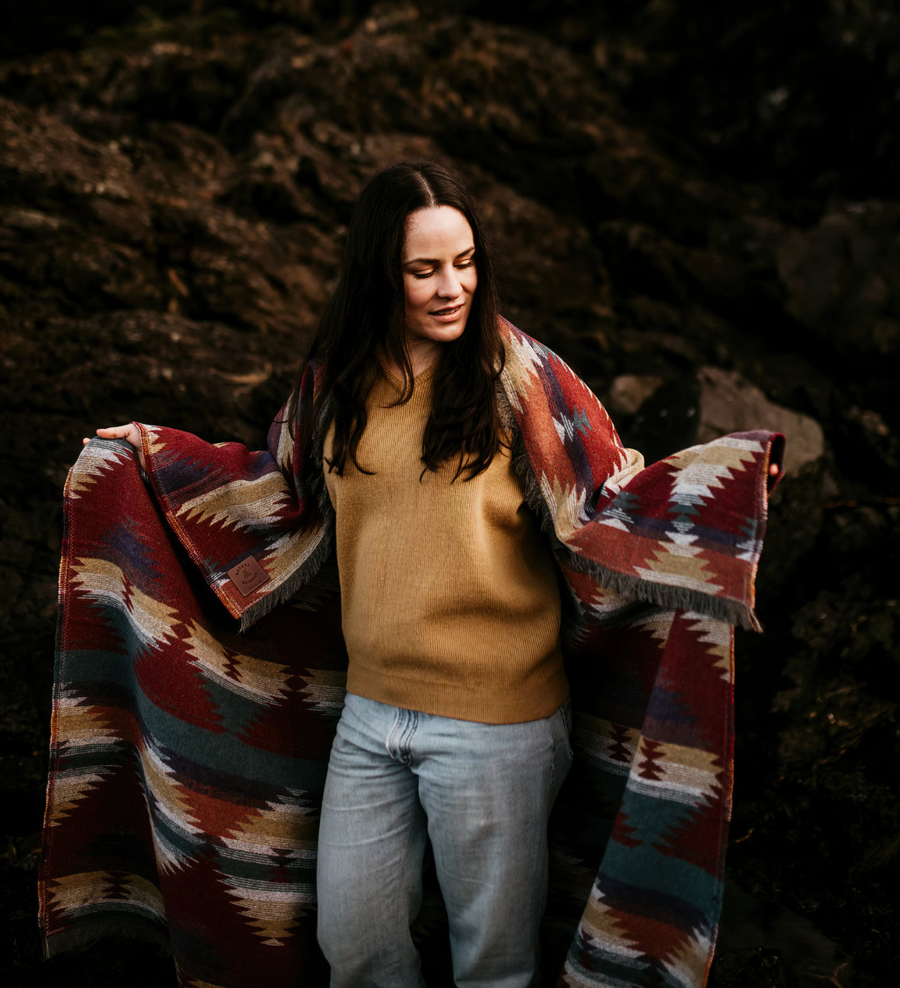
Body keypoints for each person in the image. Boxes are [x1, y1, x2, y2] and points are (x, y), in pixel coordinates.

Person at [63, 160, 783, 988]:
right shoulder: (335, 380)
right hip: (369, 721)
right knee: (356, 946)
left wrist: (729, 491)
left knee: (493, 967)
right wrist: (144, 461)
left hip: (498, 734)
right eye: (425, 269)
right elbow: (277, 489)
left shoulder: (522, 378)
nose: (452, 287)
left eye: (466, 262)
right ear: (380, 274)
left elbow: (612, 498)